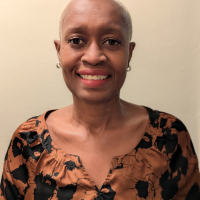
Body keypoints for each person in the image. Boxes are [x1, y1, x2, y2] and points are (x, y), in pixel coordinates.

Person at [0, 0, 200, 199]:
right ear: (59, 51)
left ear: (129, 54)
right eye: (77, 40)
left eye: (112, 41)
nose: (93, 57)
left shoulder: (170, 138)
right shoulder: (27, 144)